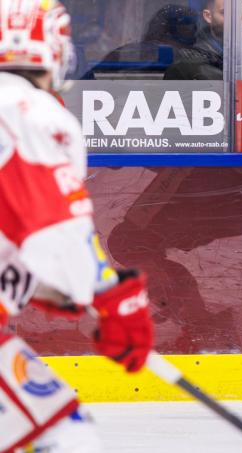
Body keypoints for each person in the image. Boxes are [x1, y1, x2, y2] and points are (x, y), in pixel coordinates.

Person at [0, 1, 154, 451]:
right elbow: (56, 226)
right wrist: (110, 298)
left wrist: (57, 291)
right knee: (68, 436)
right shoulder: (33, 114)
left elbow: (21, 235)